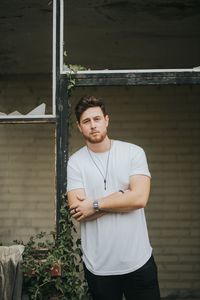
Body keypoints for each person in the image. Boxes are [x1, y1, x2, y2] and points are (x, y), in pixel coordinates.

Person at [67, 95, 160, 300]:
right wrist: (122, 196)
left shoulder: (133, 153)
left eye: (97, 119)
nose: (93, 125)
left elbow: (139, 199)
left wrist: (95, 204)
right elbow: (79, 211)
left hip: (138, 260)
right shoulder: (75, 162)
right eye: (86, 121)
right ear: (79, 127)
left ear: (106, 120)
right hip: (99, 266)